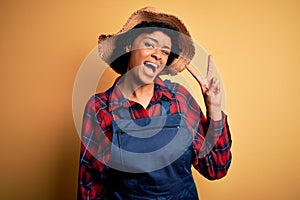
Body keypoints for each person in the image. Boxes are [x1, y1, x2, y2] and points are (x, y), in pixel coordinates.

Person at [78, 7, 232, 200]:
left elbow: (216, 167)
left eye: (165, 51)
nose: (158, 55)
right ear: (129, 46)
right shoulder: (100, 108)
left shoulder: (180, 99)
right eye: (150, 44)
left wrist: (214, 108)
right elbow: (90, 188)